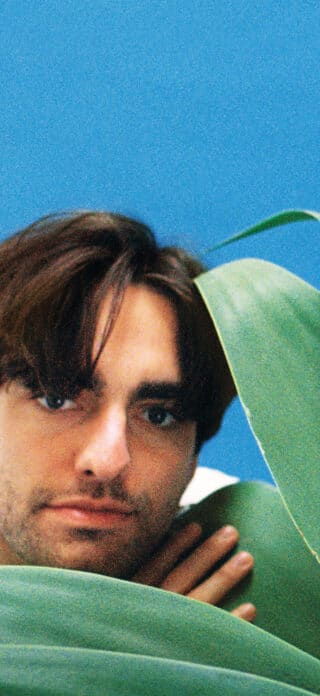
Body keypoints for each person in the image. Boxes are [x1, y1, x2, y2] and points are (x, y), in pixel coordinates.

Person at [0, 210, 256, 620]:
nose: (107, 461)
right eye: (56, 399)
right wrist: (120, 654)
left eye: (158, 416)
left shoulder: (241, 548)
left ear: (194, 457)